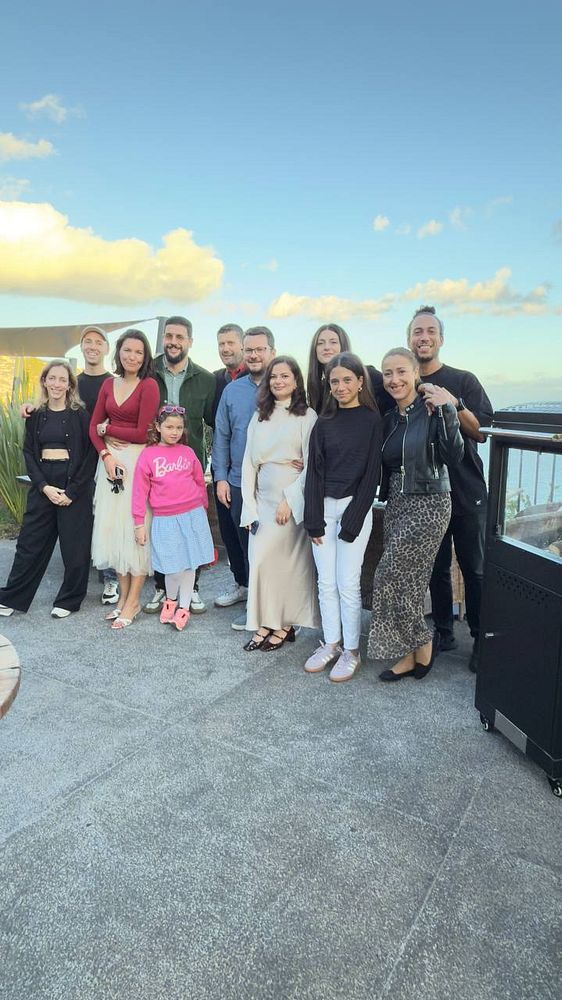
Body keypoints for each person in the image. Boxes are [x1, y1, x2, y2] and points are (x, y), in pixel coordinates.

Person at [368, 348, 464, 680]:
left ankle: (422, 644)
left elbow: (454, 454)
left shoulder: (432, 411)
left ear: (415, 374)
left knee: (387, 576)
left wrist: (448, 410)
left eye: (401, 372)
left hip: (429, 502)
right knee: (407, 584)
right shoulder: (389, 420)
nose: (394, 379)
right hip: (396, 502)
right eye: (387, 373)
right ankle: (411, 654)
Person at [407, 305, 493, 671]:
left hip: (466, 489)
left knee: (475, 569)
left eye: (429, 331)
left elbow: (483, 432)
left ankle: (482, 639)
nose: (423, 337)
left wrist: (453, 403)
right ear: (408, 339)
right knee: (436, 568)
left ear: (440, 339)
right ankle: (443, 633)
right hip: (428, 495)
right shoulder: (403, 383)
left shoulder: (463, 380)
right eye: (416, 332)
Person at [20, 325, 120, 607]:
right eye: (87, 341)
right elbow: (47, 414)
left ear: (105, 348)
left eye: (98, 342)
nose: (92, 346)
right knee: (69, 527)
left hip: (105, 457)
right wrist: (29, 407)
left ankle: (109, 577)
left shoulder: (113, 383)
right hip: (72, 463)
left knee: (105, 520)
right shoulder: (69, 381)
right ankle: (22, 593)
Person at [303, 352, 382, 681]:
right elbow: (314, 472)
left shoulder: (372, 421)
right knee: (326, 583)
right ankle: (331, 643)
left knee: (348, 584)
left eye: (347, 379)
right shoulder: (323, 422)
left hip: (354, 509)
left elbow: (372, 474)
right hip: (324, 509)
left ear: (360, 381)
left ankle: (352, 650)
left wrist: (354, 519)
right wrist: (313, 519)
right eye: (334, 381)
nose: (340, 386)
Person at [0, 360, 96, 618]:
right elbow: (29, 453)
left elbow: (90, 456)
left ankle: (69, 600)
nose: (56, 384)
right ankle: (12, 597)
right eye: (51, 378)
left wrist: (72, 492)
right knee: (29, 544)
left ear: (69, 385)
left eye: (62, 379)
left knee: (75, 547)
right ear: (44, 381)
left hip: (74, 483)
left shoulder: (81, 415)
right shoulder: (35, 415)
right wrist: (43, 487)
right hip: (43, 482)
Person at [240, 357, 319, 651]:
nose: (278, 381)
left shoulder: (307, 416)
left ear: (296, 381)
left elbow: (312, 464)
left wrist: (290, 499)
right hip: (262, 498)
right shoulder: (260, 415)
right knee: (260, 561)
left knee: (288, 566)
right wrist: (249, 506)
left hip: (290, 500)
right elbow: (249, 463)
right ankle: (263, 621)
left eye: (285, 376)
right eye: (274, 377)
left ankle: (285, 624)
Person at [144, 316, 216, 616]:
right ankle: (162, 588)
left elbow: (215, 424)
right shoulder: (148, 372)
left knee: (191, 532)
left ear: (190, 341)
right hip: (155, 465)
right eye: (169, 336)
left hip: (189, 468)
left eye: (180, 337)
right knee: (160, 532)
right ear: (163, 339)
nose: (174, 341)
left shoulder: (205, 379)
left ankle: (192, 587)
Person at [89, 329, 160, 629]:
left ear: (145, 358)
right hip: (110, 464)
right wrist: (105, 455)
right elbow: (93, 427)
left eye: (138, 352)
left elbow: (144, 432)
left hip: (137, 463)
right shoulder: (108, 383)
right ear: (118, 352)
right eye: (127, 350)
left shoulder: (149, 386)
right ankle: (121, 598)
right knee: (113, 528)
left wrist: (109, 430)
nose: (131, 356)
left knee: (136, 527)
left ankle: (134, 600)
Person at [212, 326, 276, 630]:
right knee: (240, 543)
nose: (254, 354)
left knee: (268, 547)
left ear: (271, 353)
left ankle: (268, 606)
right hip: (237, 482)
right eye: (249, 349)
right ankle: (247, 591)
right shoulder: (232, 391)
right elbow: (221, 436)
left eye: (260, 349)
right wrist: (221, 478)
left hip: (273, 483)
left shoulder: (283, 385)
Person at [132, 405, 214, 632]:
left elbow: (199, 480)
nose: (174, 432)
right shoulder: (148, 455)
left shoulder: (187, 452)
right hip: (166, 518)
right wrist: (139, 523)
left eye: (179, 427)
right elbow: (140, 491)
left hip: (192, 515)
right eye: (169, 427)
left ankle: (184, 607)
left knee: (189, 565)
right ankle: (170, 599)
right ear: (158, 427)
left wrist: (203, 508)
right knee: (171, 566)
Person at [211, 323, 249, 610]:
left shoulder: (264, 378)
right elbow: (218, 429)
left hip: (252, 472)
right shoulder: (217, 380)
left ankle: (258, 591)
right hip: (224, 468)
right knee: (229, 530)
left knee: (251, 534)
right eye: (221, 343)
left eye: (231, 343)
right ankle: (241, 583)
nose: (226, 349)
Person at [306, 323, 394, 416]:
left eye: (333, 342)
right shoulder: (319, 389)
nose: (327, 347)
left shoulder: (369, 375)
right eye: (320, 343)